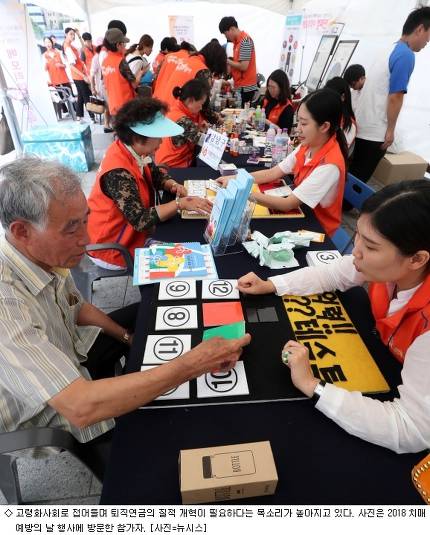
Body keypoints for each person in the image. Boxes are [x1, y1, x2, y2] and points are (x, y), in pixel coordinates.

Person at [0, 157, 250, 478]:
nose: (87, 239)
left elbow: (77, 307)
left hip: (72, 350)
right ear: (22, 231)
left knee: (150, 313)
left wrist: (127, 336)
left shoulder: (43, 252)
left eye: (84, 220)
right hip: (47, 412)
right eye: (71, 228)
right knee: (166, 440)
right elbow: (81, 406)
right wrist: (193, 364)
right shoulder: (6, 302)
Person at [237, 179, 430, 454]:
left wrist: (312, 385)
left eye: (372, 247)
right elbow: (333, 273)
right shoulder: (388, 267)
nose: (357, 252)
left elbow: (410, 428)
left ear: (417, 259)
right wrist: (271, 285)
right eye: (359, 235)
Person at [87, 97, 212, 269]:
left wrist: (171, 185)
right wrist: (179, 204)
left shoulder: (132, 150)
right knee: (183, 257)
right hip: (113, 246)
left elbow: (155, 174)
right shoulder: (118, 172)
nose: (161, 143)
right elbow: (140, 220)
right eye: (158, 137)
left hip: (126, 233)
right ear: (138, 138)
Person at [218, 89, 348, 237]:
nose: (298, 129)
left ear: (324, 127)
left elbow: (287, 204)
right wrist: (236, 178)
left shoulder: (330, 165)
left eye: (304, 124)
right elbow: (273, 172)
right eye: (298, 121)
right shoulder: (308, 145)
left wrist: (241, 190)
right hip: (301, 211)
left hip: (316, 228)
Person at [350, 6, 430, 183]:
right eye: (428, 36)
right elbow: (395, 96)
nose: (427, 42)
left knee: (353, 174)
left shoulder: (389, 49)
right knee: (357, 182)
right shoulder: (406, 55)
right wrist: (390, 130)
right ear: (420, 29)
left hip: (364, 124)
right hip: (376, 130)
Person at [153, 40, 227, 110]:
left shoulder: (187, 60)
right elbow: (204, 106)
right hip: (177, 111)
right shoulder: (202, 70)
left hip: (162, 104)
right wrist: (217, 119)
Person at [155, 79, 210, 168]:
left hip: (164, 161)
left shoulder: (175, 109)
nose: (201, 108)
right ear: (191, 100)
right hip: (172, 167)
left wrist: (199, 129)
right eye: (201, 104)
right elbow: (206, 142)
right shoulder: (182, 120)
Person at [100, 28, 144, 118]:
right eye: (123, 43)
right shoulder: (120, 62)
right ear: (118, 45)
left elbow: (105, 84)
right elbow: (134, 84)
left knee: (119, 130)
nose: (125, 46)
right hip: (126, 107)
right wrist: (141, 73)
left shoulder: (105, 61)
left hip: (113, 106)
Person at [219, 16, 258, 104]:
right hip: (240, 86)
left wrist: (227, 61)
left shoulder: (245, 41)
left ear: (232, 29)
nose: (226, 37)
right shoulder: (236, 43)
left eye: (226, 34)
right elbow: (237, 64)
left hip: (246, 88)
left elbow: (244, 66)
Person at [63, 27, 93, 122]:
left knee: (81, 96)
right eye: (71, 34)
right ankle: (92, 117)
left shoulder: (71, 46)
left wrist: (79, 35)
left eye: (73, 34)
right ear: (66, 35)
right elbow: (71, 66)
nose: (73, 36)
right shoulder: (67, 47)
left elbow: (83, 48)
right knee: (87, 96)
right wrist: (83, 76)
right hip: (79, 76)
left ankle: (79, 117)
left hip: (79, 75)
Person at [325, 76, 357, 156]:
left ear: (343, 97)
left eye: (330, 96)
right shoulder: (328, 113)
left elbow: (339, 152)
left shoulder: (349, 125)